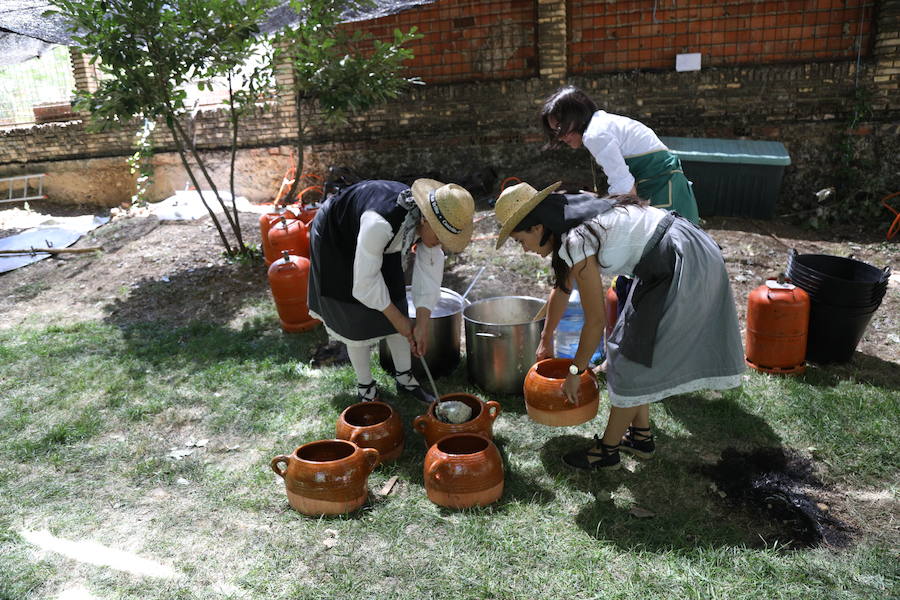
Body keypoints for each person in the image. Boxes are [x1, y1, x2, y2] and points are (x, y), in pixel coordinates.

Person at [494, 181, 745, 470]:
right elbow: (562, 287)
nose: (523, 249)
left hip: (682, 259)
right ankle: (640, 437)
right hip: (666, 258)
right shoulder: (569, 216)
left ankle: (607, 452)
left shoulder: (576, 239)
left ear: (537, 228)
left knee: (628, 362)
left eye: (519, 240)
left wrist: (576, 370)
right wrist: (546, 336)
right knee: (629, 351)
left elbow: (596, 320)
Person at [308, 179, 475, 405]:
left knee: (397, 302)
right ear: (425, 219)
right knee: (355, 319)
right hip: (338, 236)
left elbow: (429, 270)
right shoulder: (380, 223)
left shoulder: (429, 225)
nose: (441, 245)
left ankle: (405, 379)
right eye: (440, 238)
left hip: (381, 241)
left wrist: (422, 324)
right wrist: (399, 321)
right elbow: (365, 283)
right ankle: (366, 388)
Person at [541, 85, 700, 225]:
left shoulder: (595, 135)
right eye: (554, 131)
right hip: (666, 186)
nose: (560, 137)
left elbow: (625, 188)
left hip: (661, 191)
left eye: (561, 127)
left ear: (576, 116)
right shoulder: (601, 124)